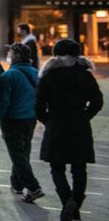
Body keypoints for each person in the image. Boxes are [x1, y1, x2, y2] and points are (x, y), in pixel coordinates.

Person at [36, 39, 104, 220]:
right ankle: (75, 203)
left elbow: (38, 105)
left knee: (56, 167)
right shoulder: (85, 75)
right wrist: (85, 116)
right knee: (79, 168)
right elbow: (98, 101)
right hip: (79, 125)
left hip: (56, 124)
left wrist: (47, 120)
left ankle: (67, 201)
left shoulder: (49, 76)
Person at [0, 43, 44, 202]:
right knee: (24, 151)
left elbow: (4, 101)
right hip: (31, 118)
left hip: (13, 119)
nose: (8, 56)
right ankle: (16, 183)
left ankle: (33, 187)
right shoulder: (36, 73)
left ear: (15, 56)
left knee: (17, 154)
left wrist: (1, 116)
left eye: (10, 53)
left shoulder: (8, 76)